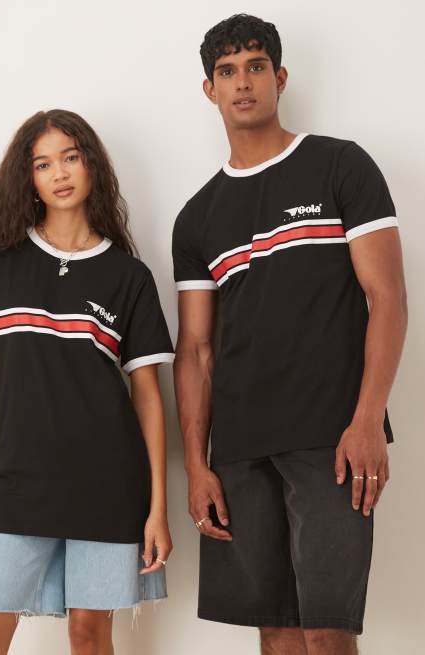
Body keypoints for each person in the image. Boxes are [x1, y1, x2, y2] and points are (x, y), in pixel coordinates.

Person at [171, 14, 407, 655]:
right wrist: (197, 465)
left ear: (279, 78)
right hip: (241, 448)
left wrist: (368, 420)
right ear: (209, 89)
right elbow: (196, 351)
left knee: (328, 633)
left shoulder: (340, 166)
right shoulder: (197, 217)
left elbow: (388, 299)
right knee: (275, 635)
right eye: (227, 72)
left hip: (330, 438)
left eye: (255, 67)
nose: (242, 83)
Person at [0, 108, 174, 655]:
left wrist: (158, 507)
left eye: (70, 157)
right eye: (43, 164)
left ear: (91, 166)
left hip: (108, 485)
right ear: (29, 178)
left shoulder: (129, 277)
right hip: (20, 484)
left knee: (89, 636)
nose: (59, 173)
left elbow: (148, 398)